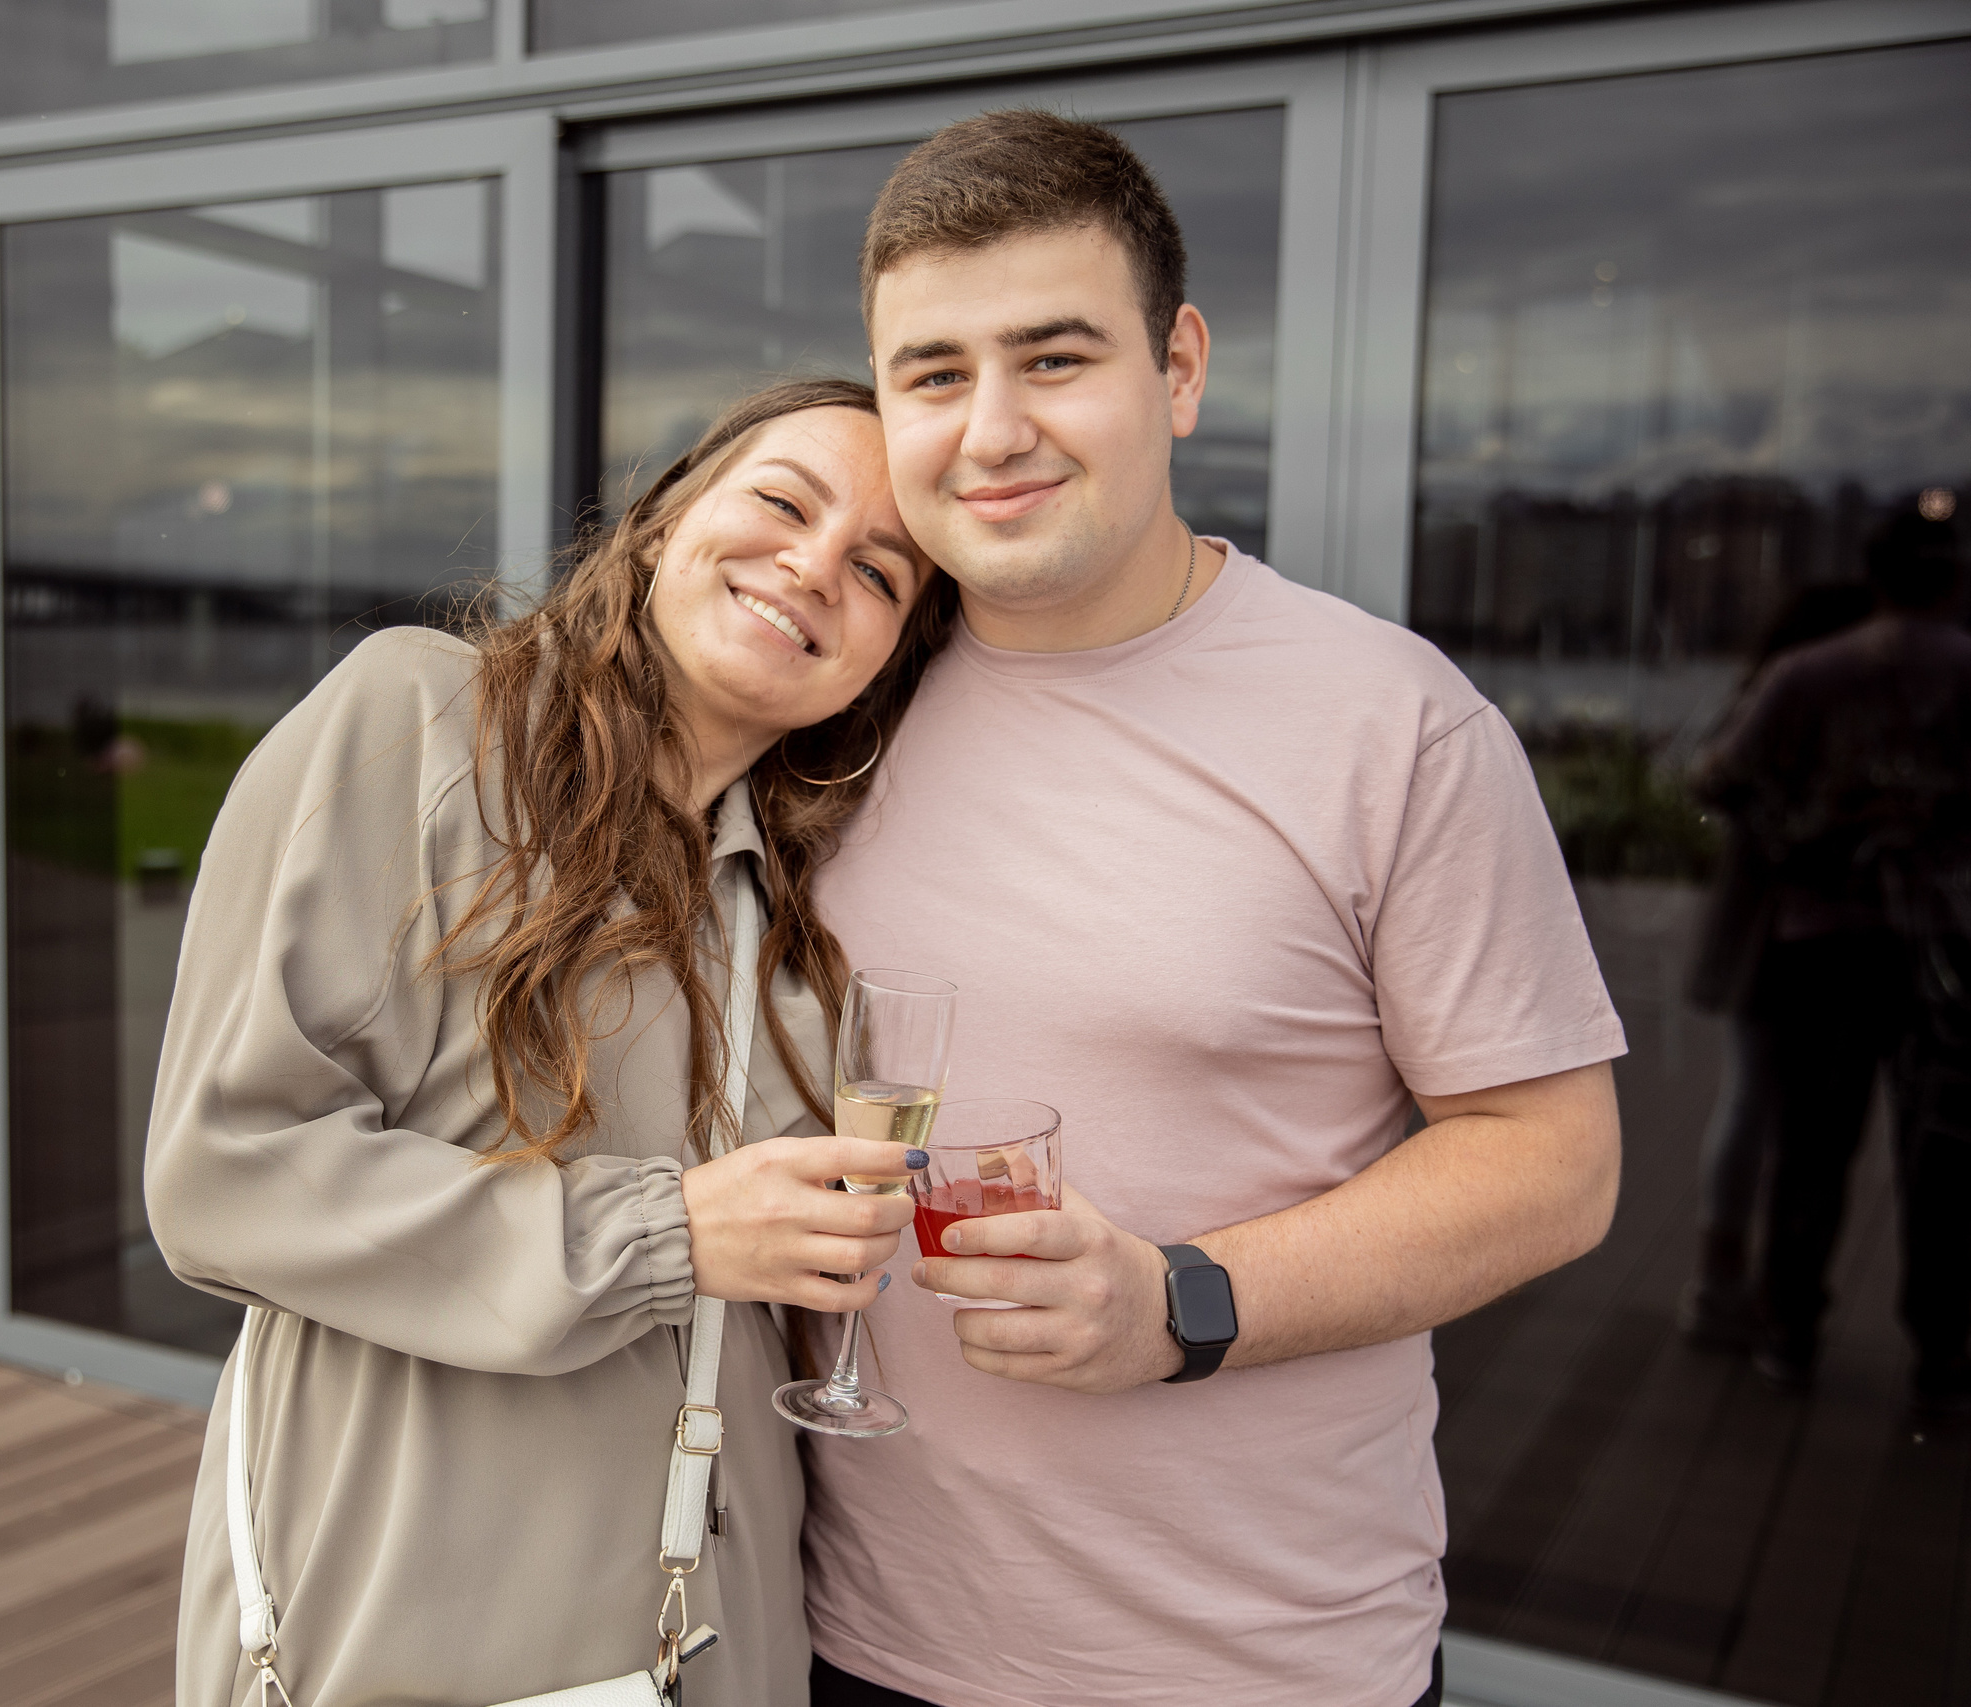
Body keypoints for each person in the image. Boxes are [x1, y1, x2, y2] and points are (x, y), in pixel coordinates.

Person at [800, 112, 1628, 1707]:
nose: (990, 431)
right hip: (850, 1635)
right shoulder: (836, 701)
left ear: (1176, 368)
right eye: (934, 373)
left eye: (1055, 358)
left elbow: (1556, 1161)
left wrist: (1185, 1299)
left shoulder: (1390, 721)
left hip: (1255, 1659)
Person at [145, 378, 950, 1706]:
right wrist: (670, 1231)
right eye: (782, 500)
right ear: (660, 523)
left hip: (712, 1645)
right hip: (399, 1629)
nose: (813, 565)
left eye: (877, 570)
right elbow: (222, 1177)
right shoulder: (417, 722)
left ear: (884, 656)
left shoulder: (794, 918)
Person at [1694, 500, 1971, 1409]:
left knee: (1813, 1147)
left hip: (1823, 944)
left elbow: (1718, 777)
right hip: (1943, 953)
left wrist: (1801, 830)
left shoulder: (1813, 673)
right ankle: (1940, 1356)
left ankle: (1790, 1330)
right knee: (1940, 1159)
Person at [1676, 582, 1874, 1349]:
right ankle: (1738, 1285)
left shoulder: (1771, 690)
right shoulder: (1806, 694)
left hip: (1768, 930)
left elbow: (1714, 780)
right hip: (1792, 934)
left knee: (1756, 1102)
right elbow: (1718, 781)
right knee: (1778, 1110)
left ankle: (1726, 1282)